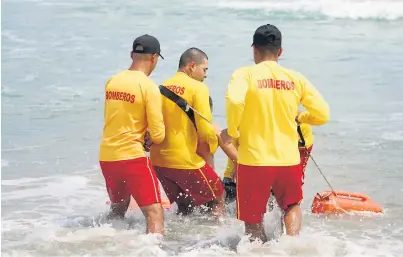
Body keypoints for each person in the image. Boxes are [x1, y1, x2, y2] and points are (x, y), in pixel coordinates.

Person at [222, 24, 330, 242]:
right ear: (280, 51)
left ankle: (259, 250)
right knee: (291, 206)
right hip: (288, 159)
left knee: (252, 219)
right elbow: (322, 114)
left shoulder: (244, 74)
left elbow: (234, 100)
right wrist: (302, 117)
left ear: (254, 50)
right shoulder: (295, 78)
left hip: (253, 160)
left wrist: (233, 131)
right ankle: (292, 246)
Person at [99, 34, 166, 235]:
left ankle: (111, 243)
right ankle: (153, 251)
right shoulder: (148, 86)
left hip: (107, 156)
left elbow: (115, 118)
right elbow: (159, 134)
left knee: (118, 209)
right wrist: (150, 137)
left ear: (132, 54)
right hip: (132, 157)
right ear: (154, 58)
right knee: (154, 213)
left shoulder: (113, 81)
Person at [150, 47, 226, 217]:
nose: (205, 75)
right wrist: (217, 141)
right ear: (192, 66)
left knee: (185, 206)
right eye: (204, 69)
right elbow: (205, 131)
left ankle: (179, 240)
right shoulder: (198, 88)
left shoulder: (159, 87)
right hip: (184, 160)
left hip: (158, 162)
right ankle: (217, 236)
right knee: (218, 197)